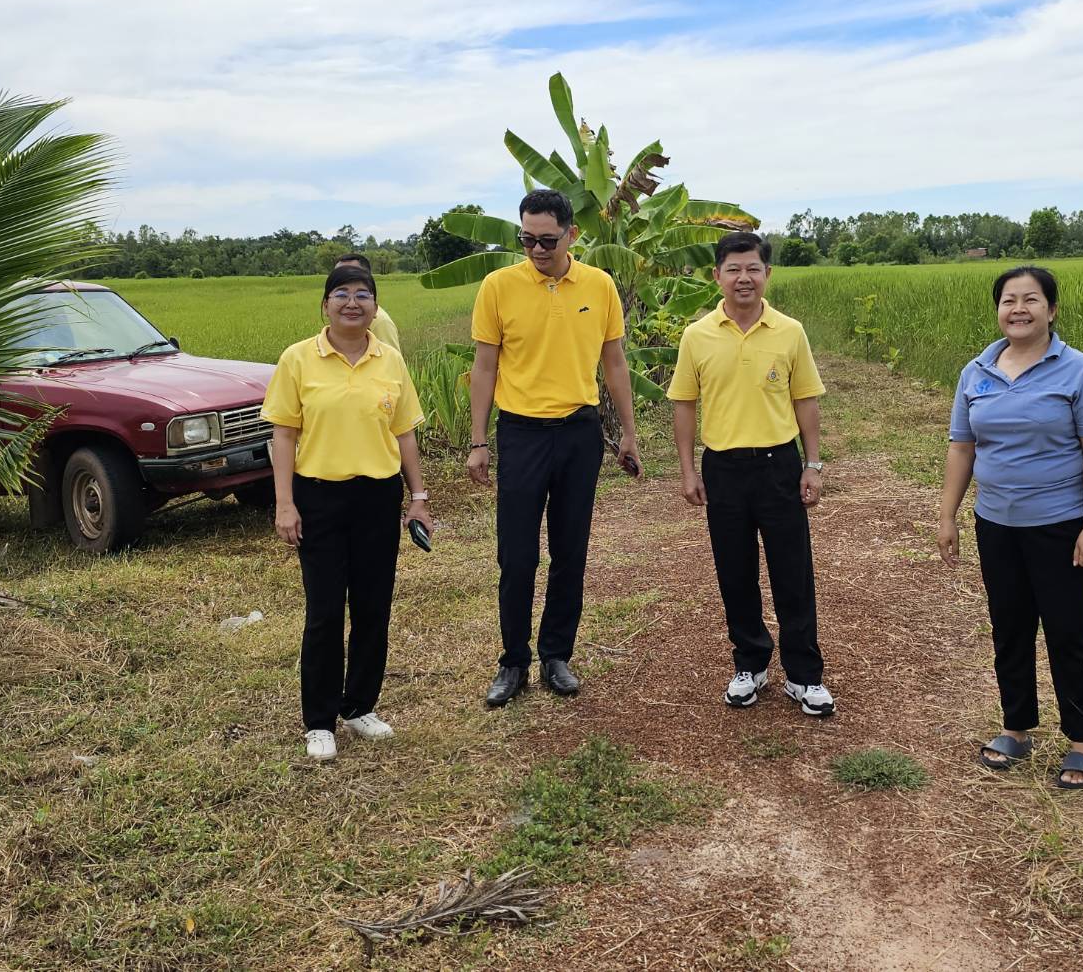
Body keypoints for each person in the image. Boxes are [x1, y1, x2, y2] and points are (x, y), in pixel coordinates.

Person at [937, 266, 1083, 789]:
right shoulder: (977, 371)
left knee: (1068, 632)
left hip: (1060, 526)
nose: (1019, 308)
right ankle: (1016, 728)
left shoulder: (1080, 372)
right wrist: (947, 515)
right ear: (998, 310)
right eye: (1009, 300)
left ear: (1052, 310)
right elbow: (961, 448)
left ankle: (1082, 743)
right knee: (1009, 627)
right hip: (997, 523)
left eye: (1031, 299)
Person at [467, 188, 641, 707]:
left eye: (547, 239)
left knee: (571, 550)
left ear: (572, 234)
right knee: (517, 556)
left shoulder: (599, 285)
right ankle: (513, 660)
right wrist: (479, 440)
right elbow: (484, 366)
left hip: (578, 432)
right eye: (527, 239)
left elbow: (614, 363)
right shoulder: (498, 287)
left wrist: (628, 432)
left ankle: (556, 655)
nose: (537, 250)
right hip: (520, 432)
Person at [262, 264, 432, 761]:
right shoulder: (297, 360)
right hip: (318, 498)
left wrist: (417, 497)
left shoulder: (390, 361)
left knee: (374, 607)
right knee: (324, 611)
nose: (352, 302)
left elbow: (404, 434)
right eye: (341, 294)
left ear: (375, 307)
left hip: (378, 497)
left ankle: (359, 706)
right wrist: (285, 503)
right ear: (325, 305)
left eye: (363, 294)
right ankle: (319, 721)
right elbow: (284, 436)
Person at [668, 231, 834, 716]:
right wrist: (686, 470)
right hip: (722, 468)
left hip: (778, 465)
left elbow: (805, 399)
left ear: (767, 274)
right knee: (734, 572)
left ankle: (804, 676)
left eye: (753, 269)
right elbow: (684, 403)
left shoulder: (789, 331)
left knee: (793, 574)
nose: (744, 278)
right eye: (733, 269)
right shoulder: (697, 335)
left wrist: (813, 464)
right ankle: (750, 664)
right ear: (716, 275)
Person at [335, 252, 401, 353]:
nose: (343, 278)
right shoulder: (339, 316)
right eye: (337, 275)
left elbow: (391, 363)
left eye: (351, 273)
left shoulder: (380, 322)